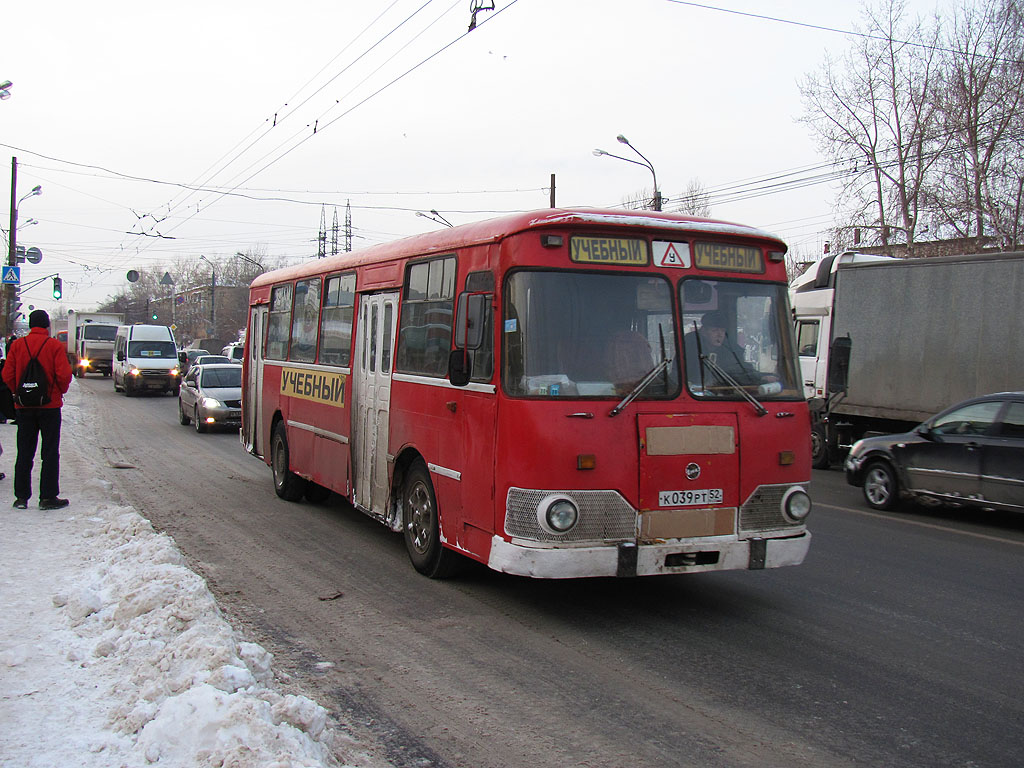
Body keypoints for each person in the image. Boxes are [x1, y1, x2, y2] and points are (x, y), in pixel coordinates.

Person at [2, 310, 73, 509]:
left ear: (31, 325)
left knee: (24, 452)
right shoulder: (54, 346)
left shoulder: (17, 346)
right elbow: (64, 375)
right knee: (49, 452)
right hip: (49, 406)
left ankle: (21, 498)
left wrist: (18, 392)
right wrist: (58, 392)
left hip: (24, 407)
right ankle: (47, 497)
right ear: (47, 326)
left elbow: (7, 373)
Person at [684, 310, 763, 390]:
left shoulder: (731, 351)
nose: (720, 335)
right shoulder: (690, 349)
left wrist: (760, 377)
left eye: (722, 331)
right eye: (714, 331)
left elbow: (742, 371)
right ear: (703, 332)